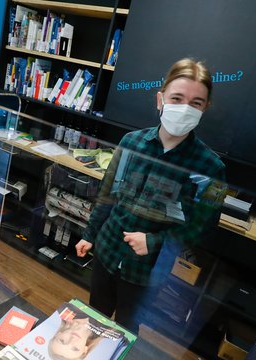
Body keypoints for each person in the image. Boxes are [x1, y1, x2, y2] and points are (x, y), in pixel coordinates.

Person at [75, 58, 226, 333]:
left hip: (148, 270)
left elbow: (202, 230)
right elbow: (108, 194)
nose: (184, 108)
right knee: (93, 319)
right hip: (107, 250)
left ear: (205, 108)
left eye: (195, 103)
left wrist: (155, 242)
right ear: (161, 100)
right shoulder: (130, 142)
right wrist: (89, 233)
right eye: (177, 98)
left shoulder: (212, 169)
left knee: (125, 331)